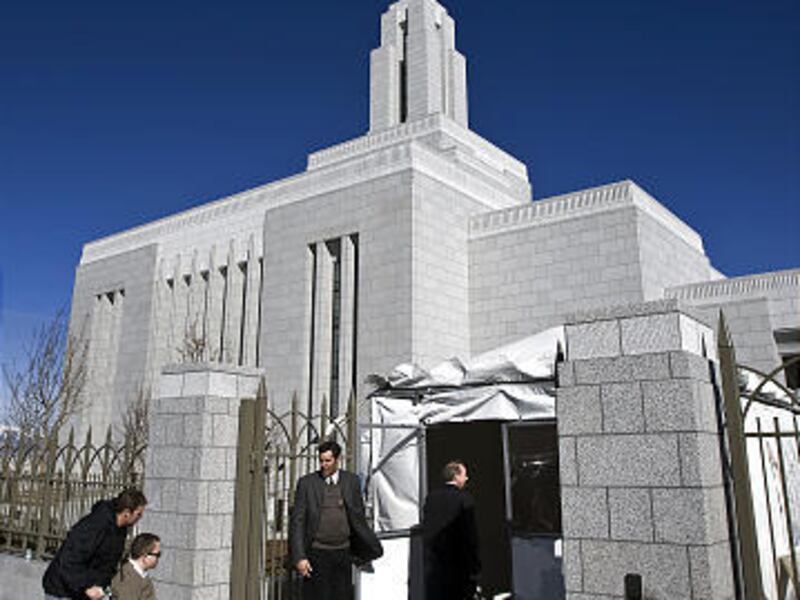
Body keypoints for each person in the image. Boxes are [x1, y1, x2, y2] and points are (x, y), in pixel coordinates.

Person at [289, 440, 383, 600]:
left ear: (337, 460)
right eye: (321, 461)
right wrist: (299, 557)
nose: (324, 465)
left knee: (342, 595)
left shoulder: (351, 481)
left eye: (328, 460)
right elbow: (297, 522)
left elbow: (358, 517)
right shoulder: (307, 484)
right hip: (317, 553)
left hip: (343, 553)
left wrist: (364, 549)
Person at [43, 488, 147, 600]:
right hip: (63, 591)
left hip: (87, 592)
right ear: (127, 513)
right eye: (138, 514)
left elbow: (108, 562)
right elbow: (70, 559)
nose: (140, 518)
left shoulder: (120, 529)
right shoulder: (96, 524)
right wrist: (86, 587)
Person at [422, 460, 481, 600]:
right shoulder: (465, 499)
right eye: (464, 475)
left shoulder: (431, 498)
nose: (466, 478)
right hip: (459, 566)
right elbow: (470, 536)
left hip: (435, 566)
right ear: (456, 476)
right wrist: (475, 566)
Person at [110, 533, 161, 600]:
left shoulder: (141, 575)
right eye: (157, 554)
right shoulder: (127, 576)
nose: (158, 558)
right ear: (145, 554)